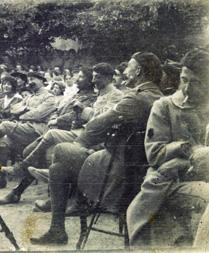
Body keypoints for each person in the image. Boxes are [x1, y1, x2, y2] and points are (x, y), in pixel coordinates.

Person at [30, 52, 163, 245]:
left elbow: (96, 125)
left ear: (138, 72)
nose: (124, 72)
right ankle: (58, 226)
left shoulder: (135, 98)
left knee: (61, 153)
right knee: (58, 168)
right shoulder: (158, 95)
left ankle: (58, 228)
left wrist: (82, 145)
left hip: (118, 171)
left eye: (128, 67)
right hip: (138, 167)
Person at [127, 49, 209, 247]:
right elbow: (155, 155)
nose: (187, 88)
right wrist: (188, 151)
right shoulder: (165, 106)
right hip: (169, 183)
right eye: (184, 80)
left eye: (197, 83)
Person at [0, 66, 98, 206]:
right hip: (57, 130)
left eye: (81, 77)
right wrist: (55, 117)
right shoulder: (76, 95)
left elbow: (76, 116)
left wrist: (57, 120)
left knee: (39, 155)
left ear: (90, 81)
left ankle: (17, 190)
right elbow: (58, 110)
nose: (77, 79)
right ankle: (17, 188)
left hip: (72, 132)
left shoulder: (91, 97)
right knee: (28, 151)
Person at [0, 72, 57, 172]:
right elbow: (13, 109)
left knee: (5, 125)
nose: (30, 82)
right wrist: (26, 109)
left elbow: (37, 114)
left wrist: (23, 111)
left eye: (33, 79)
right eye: (29, 80)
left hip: (38, 129)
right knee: (2, 143)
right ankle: (0, 175)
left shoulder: (49, 97)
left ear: (42, 80)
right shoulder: (29, 97)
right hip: (25, 127)